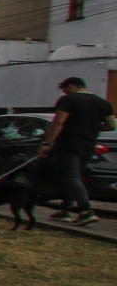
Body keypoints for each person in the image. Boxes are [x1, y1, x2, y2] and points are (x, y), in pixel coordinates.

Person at [39, 76, 114, 225]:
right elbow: (111, 125)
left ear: (72, 86)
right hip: (89, 145)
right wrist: (94, 128)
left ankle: (86, 211)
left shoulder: (69, 100)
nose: (65, 93)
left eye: (66, 90)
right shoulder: (103, 103)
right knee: (72, 176)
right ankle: (66, 209)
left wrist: (47, 143)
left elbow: (59, 122)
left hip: (69, 143)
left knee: (71, 176)